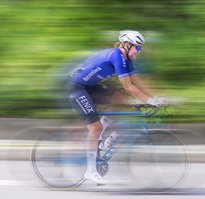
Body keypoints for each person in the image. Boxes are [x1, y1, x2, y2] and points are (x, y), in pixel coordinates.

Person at [68, 30, 167, 184]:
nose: (139, 52)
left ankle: (101, 136)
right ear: (127, 45)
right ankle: (90, 171)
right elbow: (129, 87)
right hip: (77, 89)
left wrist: (155, 98)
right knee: (95, 128)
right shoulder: (117, 56)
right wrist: (149, 101)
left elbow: (137, 81)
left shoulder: (126, 59)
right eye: (138, 48)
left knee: (118, 97)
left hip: (89, 87)